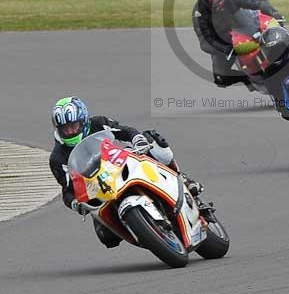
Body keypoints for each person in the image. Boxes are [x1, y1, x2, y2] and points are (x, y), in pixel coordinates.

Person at [48, 96, 204, 248]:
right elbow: (67, 190)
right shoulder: (57, 158)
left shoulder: (98, 123)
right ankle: (144, 230)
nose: (70, 131)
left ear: (83, 121)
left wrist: (137, 139)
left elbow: (125, 131)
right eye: (65, 129)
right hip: (99, 188)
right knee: (106, 236)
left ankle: (182, 178)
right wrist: (75, 203)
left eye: (73, 126)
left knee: (154, 140)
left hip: (119, 163)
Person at [193, 0, 284, 88]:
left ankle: (285, 58)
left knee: (271, 36)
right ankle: (250, 78)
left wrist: (274, 13)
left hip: (242, 26)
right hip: (223, 41)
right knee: (221, 78)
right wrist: (225, 49)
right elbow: (204, 41)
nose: (212, 0)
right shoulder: (199, 12)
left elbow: (255, 2)